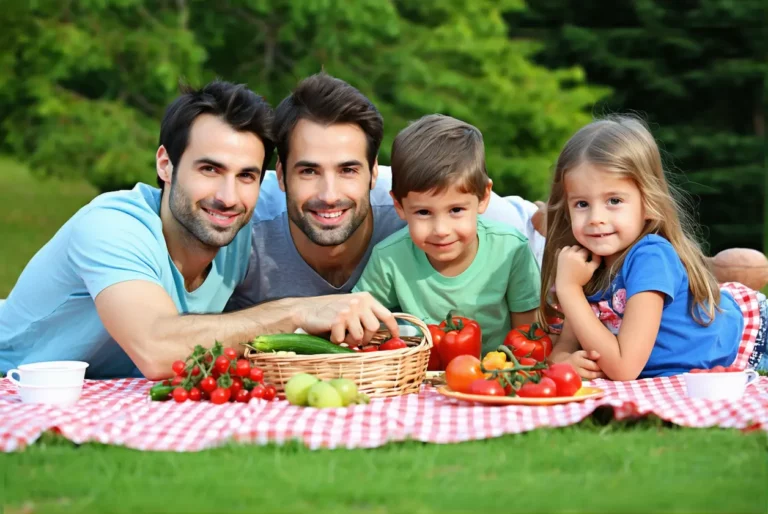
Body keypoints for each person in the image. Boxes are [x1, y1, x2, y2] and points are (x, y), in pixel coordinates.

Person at [0, 80, 400, 379]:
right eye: (209, 169)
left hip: (113, 396)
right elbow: (156, 348)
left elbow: (379, 181)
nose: (227, 197)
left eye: (246, 175)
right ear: (165, 164)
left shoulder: (240, 220)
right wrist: (297, 310)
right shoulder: (111, 227)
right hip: (15, 384)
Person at [225, 73, 547, 347]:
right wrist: (292, 313)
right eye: (308, 171)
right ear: (281, 175)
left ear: (375, 172)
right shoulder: (236, 217)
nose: (329, 195)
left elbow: (526, 222)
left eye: (348, 170)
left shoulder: (425, 196)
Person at [541, 115, 767, 380]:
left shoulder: (650, 256)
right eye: (582, 204)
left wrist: (569, 289)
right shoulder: (583, 263)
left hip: (750, 343)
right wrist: (565, 360)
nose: (595, 218)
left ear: (648, 203)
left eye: (614, 200)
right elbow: (564, 347)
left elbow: (624, 368)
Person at [351, 114, 541, 355]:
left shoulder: (511, 250)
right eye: (423, 212)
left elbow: (528, 338)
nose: (441, 230)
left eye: (456, 210)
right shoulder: (389, 259)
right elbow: (358, 322)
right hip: (418, 374)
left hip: (497, 374)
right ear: (399, 205)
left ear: (484, 197)